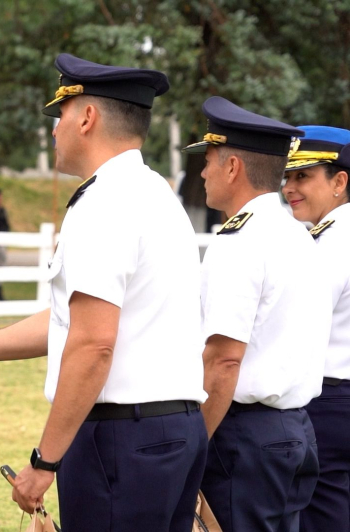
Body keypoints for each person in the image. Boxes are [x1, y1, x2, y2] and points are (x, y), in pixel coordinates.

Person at [0, 54, 208, 531]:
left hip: (120, 441)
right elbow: (69, 322)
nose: (54, 130)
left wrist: (44, 462)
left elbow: (92, 345)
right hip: (174, 432)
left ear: (86, 117)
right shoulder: (156, 195)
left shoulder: (103, 204)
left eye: (60, 115)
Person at [183, 97, 330, 532]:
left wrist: (195, 447)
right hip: (294, 429)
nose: (203, 172)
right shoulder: (298, 235)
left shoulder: (239, 242)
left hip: (243, 438)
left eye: (208, 161)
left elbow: (225, 359)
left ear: (233, 167)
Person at [280, 126, 350, 532]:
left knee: (320, 515)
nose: (290, 187)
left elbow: (296, 329)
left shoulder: (329, 242)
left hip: (326, 403)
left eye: (303, 176)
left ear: (340, 181)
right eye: (287, 177)